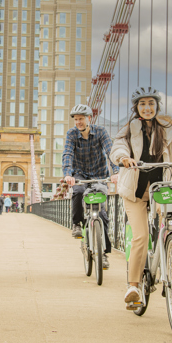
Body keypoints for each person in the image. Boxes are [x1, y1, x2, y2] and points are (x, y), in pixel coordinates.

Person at [110, 87, 172, 307]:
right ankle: (133, 286)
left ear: (157, 106)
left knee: (168, 225)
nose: (147, 108)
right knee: (141, 237)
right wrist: (123, 158)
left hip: (163, 188)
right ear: (136, 108)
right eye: (142, 104)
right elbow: (118, 146)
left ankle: (171, 257)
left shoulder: (169, 127)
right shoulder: (129, 128)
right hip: (136, 192)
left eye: (151, 103)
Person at [62, 104, 119, 270]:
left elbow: (110, 151)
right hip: (79, 173)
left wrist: (115, 170)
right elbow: (68, 153)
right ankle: (77, 225)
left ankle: (104, 254)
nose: (78, 122)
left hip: (99, 175)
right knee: (78, 192)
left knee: (102, 213)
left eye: (81, 119)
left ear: (89, 118)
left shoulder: (100, 132)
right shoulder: (72, 134)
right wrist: (68, 174)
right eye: (76, 119)